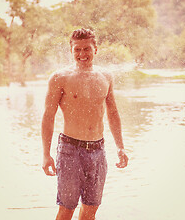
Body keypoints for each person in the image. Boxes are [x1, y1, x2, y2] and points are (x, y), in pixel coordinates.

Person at [41, 28, 129, 220]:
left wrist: (120, 147)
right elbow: (48, 116)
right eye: (77, 50)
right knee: (67, 209)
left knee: (90, 210)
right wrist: (46, 154)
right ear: (71, 51)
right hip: (70, 149)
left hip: (98, 150)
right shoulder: (60, 78)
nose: (82, 54)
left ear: (95, 49)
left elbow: (113, 113)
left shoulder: (106, 77)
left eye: (87, 49)